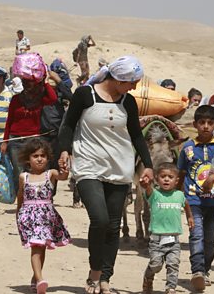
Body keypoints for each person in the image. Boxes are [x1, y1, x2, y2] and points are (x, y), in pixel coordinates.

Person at [58, 56, 153, 293]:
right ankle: (94, 272)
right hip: (89, 165)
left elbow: (136, 135)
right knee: (99, 219)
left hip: (120, 167)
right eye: (132, 82)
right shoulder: (84, 95)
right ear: (118, 79)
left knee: (113, 226)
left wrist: (148, 165)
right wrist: (63, 150)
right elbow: (68, 125)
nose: (134, 87)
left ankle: (105, 277)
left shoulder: (128, 102)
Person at [177, 105, 214, 291]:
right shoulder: (187, 148)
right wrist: (179, 197)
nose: (205, 126)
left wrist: (212, 178)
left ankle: (206, 269)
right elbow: (181, 174)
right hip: (193, 199)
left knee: (209, 239)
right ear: (195, 124)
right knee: (196, 235)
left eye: (210, 123)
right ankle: (197, 272)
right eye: (201, 122)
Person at [16, 138, 71, 294]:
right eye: (35, 156)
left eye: (43, 156)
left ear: (47, 158)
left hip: (46, 218)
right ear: (28, 159)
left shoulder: (50, 174)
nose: (39, 159)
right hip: (29, 217)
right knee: (36, 247)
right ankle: (40, 280)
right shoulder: (23, 177)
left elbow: (63, 177)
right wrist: (18, 215)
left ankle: (36, 277)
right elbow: (20, 197)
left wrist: (65, 170)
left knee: (41, 248)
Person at [1, 53, 57, 191]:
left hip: (33, 140)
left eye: (31, 82)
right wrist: (5, 141)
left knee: (35, 173)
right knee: (19, 174)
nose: (28, 85)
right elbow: (9, 121)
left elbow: (53, 98)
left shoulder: (41, 100)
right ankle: (22, 204)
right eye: (26, 82)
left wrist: (44, 80)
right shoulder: (16, 99)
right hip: (15, 141)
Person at [141, 163, 194, 294]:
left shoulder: (179, 195)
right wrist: (146, 184)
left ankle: (170, 288)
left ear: (176, 180)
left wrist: (190, 217)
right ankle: (148, 277)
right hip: (156, 240)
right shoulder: (154, 194)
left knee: (173, 265)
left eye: (170, 177)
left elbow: (186, 204)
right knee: (156, 265)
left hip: (174, 240)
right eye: (163, 176)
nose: (166, 179)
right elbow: (147, 189)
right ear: (157, 179)